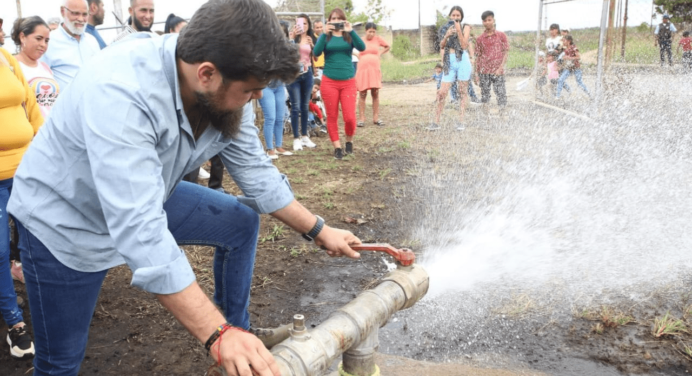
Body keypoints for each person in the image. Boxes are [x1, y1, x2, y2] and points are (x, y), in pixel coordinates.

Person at [8, 0, 363, 375]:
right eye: (252, 90)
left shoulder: (226, 85)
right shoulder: (122, 90)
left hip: (147, 192)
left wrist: (319, 230)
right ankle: (228, 338)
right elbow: (141, 229)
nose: (258, 97)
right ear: (207, 73)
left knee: (239, 222)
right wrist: (215, 334)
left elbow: (257, 172)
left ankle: (241, 342)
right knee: (61, 364)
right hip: (66, 219)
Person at [0, 46, 40, 360]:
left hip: (26, 169)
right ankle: (15, 323)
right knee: (0, 250)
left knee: (34, 241)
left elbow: (30, 103)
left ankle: (42, 307)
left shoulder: (4, 56)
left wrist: (42, 146)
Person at [313, 8, 366, 160]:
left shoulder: (348, 35)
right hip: (329, 81)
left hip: (348, 81)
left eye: (339, 19)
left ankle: (349, 141)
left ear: (343, 20)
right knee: (332, 116)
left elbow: (362, 48)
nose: (336, 21)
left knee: (349, 117)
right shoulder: (326, 37)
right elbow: (316, 53)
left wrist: (351, 31)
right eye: (333, 19)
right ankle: (337, 147)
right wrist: (323, 32)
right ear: (329, 21)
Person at [40, 0, 100, 90]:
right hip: (64, 103)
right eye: (75, 13)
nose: (80, 19)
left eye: (84, 14)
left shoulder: (92, 41)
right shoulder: (48, 42)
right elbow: (40, 79)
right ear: (63, 11)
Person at [431, 5, 472, 131]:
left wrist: (459, 30)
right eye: (453, 15)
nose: (455, 18)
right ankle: (436, 122)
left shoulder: (466, 27)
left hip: (463, 60)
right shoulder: (445, 28)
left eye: (458, 16)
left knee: (462, 91)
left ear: (461, 17)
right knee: (442, 92)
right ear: (450, 16)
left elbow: (464, 45)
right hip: (450, 60)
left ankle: (461, 121)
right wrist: (447, 35)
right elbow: (442, 46)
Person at [12, 16, 60, 119]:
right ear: (22, 37)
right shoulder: (12, 66)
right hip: (30, 132)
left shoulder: (45, 67)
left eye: (46, 41)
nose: (43, 44)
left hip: (53, 131)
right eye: (39, 39)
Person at [260, 20, 293, 160]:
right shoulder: (264, 47)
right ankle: (269, 148)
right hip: (266, 86)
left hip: (279, 86)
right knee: (270, 118)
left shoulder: (286, 47)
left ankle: (279, 146)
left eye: (283, 32)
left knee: (280, 118)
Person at [288, 14, 317, 152]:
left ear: (309, 25)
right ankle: (296, 138)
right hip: (293, 75)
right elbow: (287, 54)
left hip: (307, 74)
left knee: (305, 106)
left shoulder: (311, 38)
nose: (302, 26)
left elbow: (316, 56)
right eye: (300, 23)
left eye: (305, 23)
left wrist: (313, 45)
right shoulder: (291, 38)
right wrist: (291, 39)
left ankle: (305, 135)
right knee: (295, 107)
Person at [355, 22, 390, 127]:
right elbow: (352, 48)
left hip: (374, 68)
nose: (372, 34)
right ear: (366, 31)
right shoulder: (360, 40)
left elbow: (387, 46)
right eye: (370, 31)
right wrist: (357, 55)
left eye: (374, 32)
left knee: (375, 93)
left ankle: (376, 117)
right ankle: (361, 118)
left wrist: (379, 53)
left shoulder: (378, 39)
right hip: (363, 69)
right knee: (362, 93)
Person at [474, 11, 509, 112]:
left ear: (494, 20)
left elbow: (505, 52)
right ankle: (487, 117)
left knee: (501, 94)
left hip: (498, 71)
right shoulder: (480, 39)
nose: (487, 22)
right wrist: (476, 74)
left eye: (489, 20)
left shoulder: (501, 36)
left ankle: (502, 115)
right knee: (485, 94)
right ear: (483, 22)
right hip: (484, 71)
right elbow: (478, 56)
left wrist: (500, 68)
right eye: (485, 20)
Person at [556, 35, 590, 99]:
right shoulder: (566, 50)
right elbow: (566, 61)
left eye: (564, 41)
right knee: (560, 80)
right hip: (568, 68)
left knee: (579, 82)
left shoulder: (574, 47)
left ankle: (589, 94)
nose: (563, 42)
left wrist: (569, 58)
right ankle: (558, 96)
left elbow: (578, 57)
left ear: (569, 41)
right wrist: (561, 66)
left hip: (576, 67)